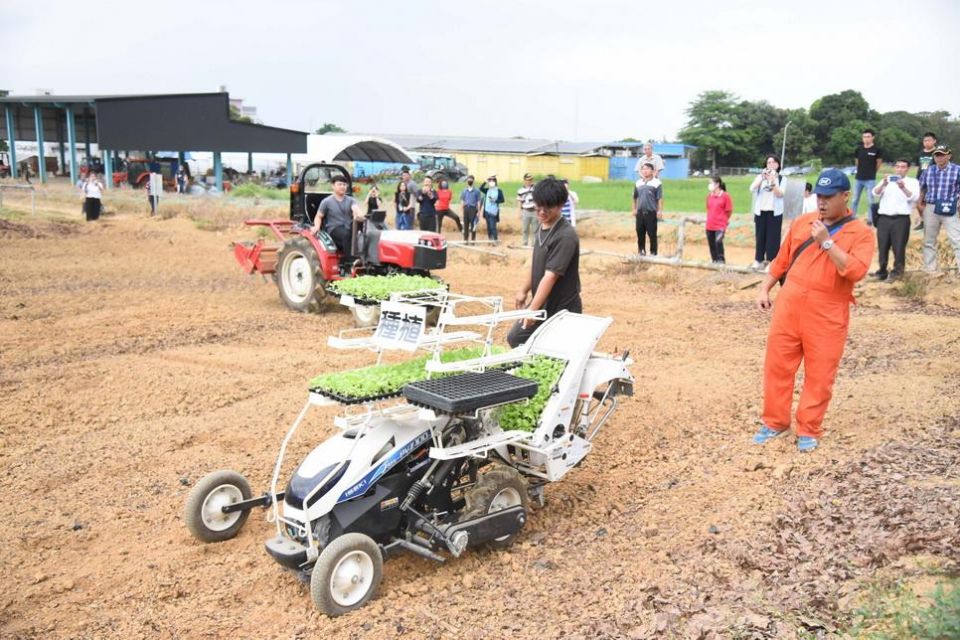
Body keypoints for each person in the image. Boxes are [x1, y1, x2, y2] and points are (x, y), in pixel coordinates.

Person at [753, 168, 875, 453]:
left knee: (820, 373)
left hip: (827, 310)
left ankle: (809, 427)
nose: (822, 202)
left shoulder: (861, 233)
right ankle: (774, 421)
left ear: (845, 197)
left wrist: (827, 242)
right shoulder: (802, 223)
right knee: (777, 365)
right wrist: (764, 288)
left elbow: (854, 270)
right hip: (789, 303)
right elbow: (782, 260)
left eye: (829, 197)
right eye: (819, 196)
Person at [507, 177, 581, 348]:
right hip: (544, 304)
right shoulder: (543, 226)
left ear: (561, 204)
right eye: (538, 205)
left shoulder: (565, 236)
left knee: (554, 352)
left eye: (548, 207)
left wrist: (532, 309)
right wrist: (523, 290)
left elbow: (550, 276)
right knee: (516, 338)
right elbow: (536, 262)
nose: (541, 211)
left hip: (562, 310)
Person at [871, 159, 920, 281]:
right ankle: (882, 270)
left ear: (907, 169)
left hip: (901, 218)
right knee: (883, 246)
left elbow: (914, 197)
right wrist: (883, 184)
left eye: (903, 167)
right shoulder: (887, 180)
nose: (899, 169)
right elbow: (875, 193)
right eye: (897, 167)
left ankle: (897, 272)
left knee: (898, 247)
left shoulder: (912, 182)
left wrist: (903, 187)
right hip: (884, 218)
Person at [918, 144, 960, 274]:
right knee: (929, 240)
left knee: (956, 239)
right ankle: (930, 269)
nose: (939, 158)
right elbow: (922, 188)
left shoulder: (957, 170)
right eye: (937, 155)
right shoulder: (928, 170)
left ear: (949, 156)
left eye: (942, 155)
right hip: (931, 207)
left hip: (950, 207)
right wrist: (919, 204)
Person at [310, 174, 365, 256]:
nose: (342, 187)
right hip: (334, 229)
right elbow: (319, 216)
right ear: (333, 186)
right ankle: (349, 260)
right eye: (339, 184)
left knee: (366, 232)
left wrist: (360, 215)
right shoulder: (326, 202)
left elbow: (356, 209)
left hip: (348, 227)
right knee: (347, 235)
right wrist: (317, 226)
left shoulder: (351, 200)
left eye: (344, 185)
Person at [749, 155, 786, 270]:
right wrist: (762, 178)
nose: (771, 164)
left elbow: (780, 194)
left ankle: (771, 261)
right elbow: (752, 188)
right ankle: (758, 260)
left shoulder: (781, 179)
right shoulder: (760, 177)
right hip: (761, 211)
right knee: (760, 236)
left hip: (774, 213)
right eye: (769, 162)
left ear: (778, 165)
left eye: (774, 162)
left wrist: (773, 181)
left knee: (773, 238)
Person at [852, 128, 883, 225]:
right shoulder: (858, 149)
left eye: (868, 137)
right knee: (855, 199)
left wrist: (872, 172)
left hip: (870, 179)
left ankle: (870, 219)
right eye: (864, 137)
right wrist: (860, 170)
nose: (866, 139)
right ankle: (852, 217)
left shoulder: (877, 150)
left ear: (873, 137)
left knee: (870, 201)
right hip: (859, 178)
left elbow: (878, 163)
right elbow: (857, 162)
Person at [632, 162, 663, 255]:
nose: (645, 171)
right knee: (640, 233)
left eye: (647, 169)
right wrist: (634, 209)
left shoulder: (657, 183)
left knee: (652, 234)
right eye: (643, 169)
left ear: (652, 171)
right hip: (640, 213)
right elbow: (634, 197)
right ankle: (641, 251)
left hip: (651, 212)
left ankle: (653, 253)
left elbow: (659, 198)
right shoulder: (638, 183)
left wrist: (660, 210)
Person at [914, 132, 939, 231]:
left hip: (933, 182)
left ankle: (934, 223)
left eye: (929, 140)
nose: (926, 142)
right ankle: (923, 221)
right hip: (920, 181)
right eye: (925, 140)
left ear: (934, 141)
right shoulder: (920, 153)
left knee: (932, 204)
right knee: (918, 203)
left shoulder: (938, 153)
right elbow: (919, 167)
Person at [705, 176, 733, 264]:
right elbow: (708, 208)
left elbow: (729, 210)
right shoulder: (709, 196)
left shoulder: (725, 196)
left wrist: (724, 220)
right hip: (710, 224)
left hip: (720, 225)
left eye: (711, 183)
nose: (709, 185)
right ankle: (714, 260)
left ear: (717, 184)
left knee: (718, 241)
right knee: (711, 244)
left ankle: (721, 260)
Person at [480, 176, 505, 242]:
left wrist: (495, 200)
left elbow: (502, 200)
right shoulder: (487, 190)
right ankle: (490, 239)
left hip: (494, 212)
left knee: (493, 227)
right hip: (486, 211)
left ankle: (495, 240)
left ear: (495, 182)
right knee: (488, 227)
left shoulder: (499, 191)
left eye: (493, 181)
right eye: (490, 181)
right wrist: (485, 181)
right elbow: (481, 188)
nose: (491, 183)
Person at [460, 175, 482, 243]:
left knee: (473, 225)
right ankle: (465, 240)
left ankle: (473, 240)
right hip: (466, 208)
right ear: (467, 181)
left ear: (473, 181)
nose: (469, 181)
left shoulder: (477, 191)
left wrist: (478, 211)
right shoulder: (464, 191)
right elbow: (462, 201)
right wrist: (461, 211)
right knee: (466, 225)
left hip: (473, 209)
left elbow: (478, 202)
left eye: (471, 180)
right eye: (468, 180)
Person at [518, 173, 538, 246]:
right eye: (528, 180)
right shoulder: (520, 190)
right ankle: (524, 243)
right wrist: (519, 212)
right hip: (525, 211)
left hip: (534, 211)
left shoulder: (535, 188)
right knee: (525, 229)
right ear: (524, 180)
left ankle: (534, 244)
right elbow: (520, 201)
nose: (529, 181)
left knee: (535, 229)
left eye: (530, 180)